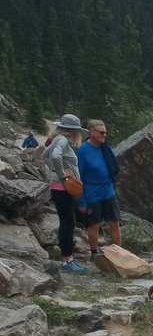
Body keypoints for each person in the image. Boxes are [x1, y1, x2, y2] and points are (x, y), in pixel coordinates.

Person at [45, 114, 88, 273]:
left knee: (67, 222)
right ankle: (66, 260)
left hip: (58, 187)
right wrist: (62, 174)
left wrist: (55, 171)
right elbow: (55, 156)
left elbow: (45, 155)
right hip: (64, 188)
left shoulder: (57, 139)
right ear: (74, 130)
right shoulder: (63, 140)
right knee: (68, 223)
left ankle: (67, 258)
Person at [76, 119, 122, 259]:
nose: (104, 135)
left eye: (105, 132)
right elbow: (78, 177)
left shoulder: (105, 148)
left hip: (108, 193)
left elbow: (113, 166)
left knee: (114, 222)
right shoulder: (82, 151)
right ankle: (94, 253)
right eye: (101, 132)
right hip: (92, 195)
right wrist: (81, 201)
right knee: (94, 225)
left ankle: (119, 253)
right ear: (91, 133)